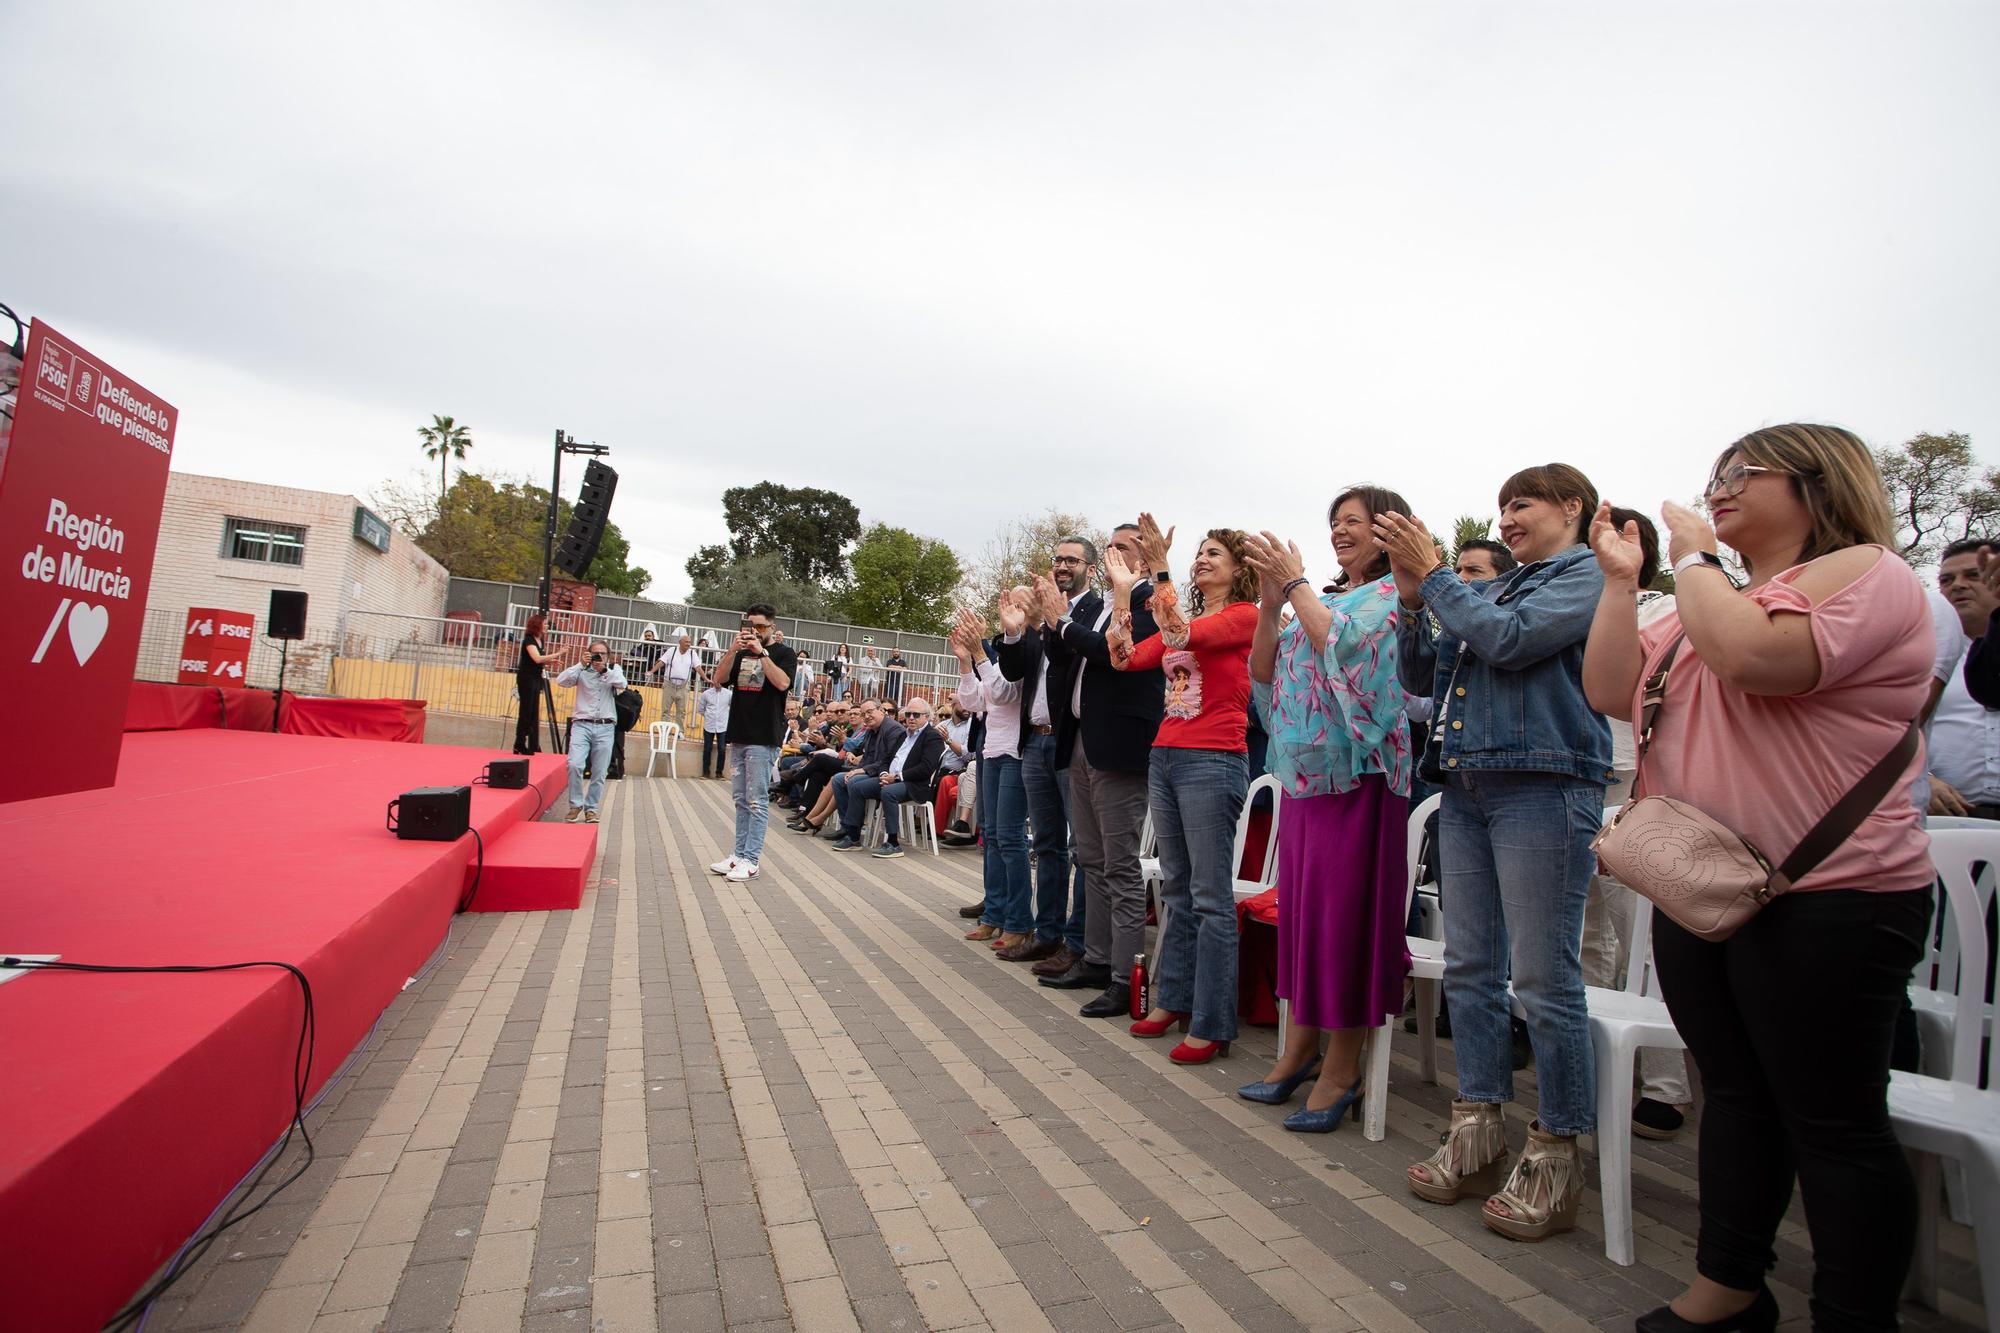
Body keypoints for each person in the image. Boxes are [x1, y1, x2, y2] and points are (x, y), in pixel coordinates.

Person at [1583, 425, 1934, 1332]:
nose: (1723, 487)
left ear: (1822, 483)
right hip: (1708, 888)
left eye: (1747, 472)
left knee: (1834, 1121)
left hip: (1836, 897)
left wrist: (1695, 556)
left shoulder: (1870, 572)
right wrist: (1624, 586)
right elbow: (1611, 689)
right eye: (1716, 475)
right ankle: (1730, 1286)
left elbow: (1758, 657)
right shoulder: (1708, 602)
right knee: (1733, 1096)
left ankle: (1854, 1314)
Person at [1380, 463, 1609, 1243]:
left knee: (1544, 978)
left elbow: (1510, 645)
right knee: (1472, 967)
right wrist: (1414, 601)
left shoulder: (1585, 576)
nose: (1507, 516)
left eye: (1524, 503)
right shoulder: (1500, 587)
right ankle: (1478, 1126)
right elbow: (1426, 674)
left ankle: (1556, 1149)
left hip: (1543, 785)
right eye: (1503, 504)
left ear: (1572, 507)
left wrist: (1441, 578)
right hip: (1471, 786)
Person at [1234, 488, 1413, 1130]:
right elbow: (1262, 670)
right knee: (1305, 919)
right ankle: (1300, 1050)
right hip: (1308, 781)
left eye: (1353, 523)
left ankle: (1343, 1066)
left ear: (1388, 532)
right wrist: (1269, 602)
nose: (1340, 532)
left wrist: (1299, 586)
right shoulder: (1323, 597)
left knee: (1346, 923)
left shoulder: (1398, 598)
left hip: (1364, 781)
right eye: (1333, 523)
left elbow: (1345, 653)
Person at [1112, 516, 1261, 1064]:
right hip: (1166, 754)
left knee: (1209, 897)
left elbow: (1179, 636)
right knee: (1176, 889)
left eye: (1214, 553)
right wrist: (1124, 594)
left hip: (1213, 759)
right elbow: (1126, 658)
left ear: (1240, 569)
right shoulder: (1187, 614)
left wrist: (1158, 570)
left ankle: (1213, 1020)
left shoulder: (1246, 617)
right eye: (1199, 552)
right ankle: (1172, 997)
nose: (1202, 559)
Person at [1579, 507, 1691, 1138]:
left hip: (1631, 779)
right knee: (1589, 933)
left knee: (1641, 933)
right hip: (1573, 777)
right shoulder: (1577, 605)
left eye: (1618, 540)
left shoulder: (1661, 608)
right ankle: (1599, 1065)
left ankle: (1667, 1085)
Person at [1022, 523, 1165, 1016]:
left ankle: (1127, 977)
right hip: (1080, 739)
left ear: (1145, 560)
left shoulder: (1149, 601)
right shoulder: (1099, 603)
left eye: (1124, 549)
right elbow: (1065, 654)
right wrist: (1050, 620)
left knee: (1120, 866)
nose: (1113, 556)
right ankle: (1097, 958)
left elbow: (1112, 654)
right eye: (1110, 548)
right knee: (1092, 859)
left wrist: (1062, 624)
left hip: (1119, 746)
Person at [996, 537, 1097, 970]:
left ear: (1090, 568)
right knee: (1048, 844)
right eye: (1058, 558)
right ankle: (1048, 933)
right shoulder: (1040, 618)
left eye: (1072, 560)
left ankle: (1079, 941)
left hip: (1071, 739)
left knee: (1083, 847)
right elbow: (1015, 672)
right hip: (1034, 741)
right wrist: (1016, 630)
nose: (1062, 565)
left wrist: (1057, 617)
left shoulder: (1094, 612)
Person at [953, 607, 1034, 951]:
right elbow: (973, 702)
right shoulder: (996, 655)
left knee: (1011, 839)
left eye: (1017, 607)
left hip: (1016, 752)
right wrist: (963, 660)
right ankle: (994, 913)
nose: (1007, 614)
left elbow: (1004, 693)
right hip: (990, 750)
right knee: (991, 836)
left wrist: (978, 653)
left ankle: (1018, 921)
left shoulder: (1025, 652)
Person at [707, 604, 797, 883]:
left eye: (760, 627)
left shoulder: (784, 653)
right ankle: (738, 854)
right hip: (739, 734)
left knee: (756, 800)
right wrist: (733, 651)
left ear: (771, 627)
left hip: (763, 737)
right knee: (740, 800)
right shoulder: (739, 652)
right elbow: (718, 680)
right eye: (750, 626)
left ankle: (751, 859)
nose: (754, 632)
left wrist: (763, 653)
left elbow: (782, 684)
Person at [1929, 538, 2000, 819]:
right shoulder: (1921, 658)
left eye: (1974, 575)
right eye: (1946, 580)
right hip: (1947, 819)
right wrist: (1922, 778)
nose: (1957, 585)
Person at [832, 696, 944, 858]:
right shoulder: (904, 735)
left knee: (888, 792)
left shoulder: (932, 736)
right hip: (889, 778)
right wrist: (884, 773)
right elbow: (886, 759)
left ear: (926, 716)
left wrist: (897, 777)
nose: (911, 718)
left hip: (913, 784)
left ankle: (893, 843)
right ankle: (853, 836)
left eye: (916, 715)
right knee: (855, 786)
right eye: (908, 714)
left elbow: (925, 769)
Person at [555, 640, 626, 824]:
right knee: (574, 764)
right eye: (595, 653)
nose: (599, 657)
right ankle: (575, 805)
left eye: (602, 653)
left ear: (608, 655)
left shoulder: (613, 669)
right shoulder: (581, 671)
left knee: (599, 771)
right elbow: (561, 680)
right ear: (588, 654)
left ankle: (591, 808)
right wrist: (581, 664)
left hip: (605, 726)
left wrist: (604, 670)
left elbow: (621, 683)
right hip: (582, 725)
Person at [828, 698, 907, 850]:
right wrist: (856, 770)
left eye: (870, 712)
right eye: (864, 714)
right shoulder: (871, 730)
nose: (867, 716)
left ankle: (853, 835)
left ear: (881, 710)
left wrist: (862, 770)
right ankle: (847, 826)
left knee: (854, 783)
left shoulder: (893, 730)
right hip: (873, 771)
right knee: (839, 779)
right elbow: (867, 757)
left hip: (887, 776)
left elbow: (889, 761)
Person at [514, 613, 565, 754]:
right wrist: (557, 654)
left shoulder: (539, 639)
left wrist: (550, 661)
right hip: (527, 678)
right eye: (545, 623)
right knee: (526, 710)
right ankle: (519, 742)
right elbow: (536, 658)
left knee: (533, 711)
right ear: (538, 625)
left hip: (536, 677)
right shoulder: (529, 640)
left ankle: (528, 742)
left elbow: (539, 660)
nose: (547, 626)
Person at [658, 632, 700, 730]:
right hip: (669, 684)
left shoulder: (692, 653)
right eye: (686, 642)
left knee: (681, 711)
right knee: (665, 710)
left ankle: (679, 731)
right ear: (680, 642)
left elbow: (698, 667)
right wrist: (651, 671)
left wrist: (706, 678)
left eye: (690, 642)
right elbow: (662, 662)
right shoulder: (671, 651)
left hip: (683, 686)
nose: (688, 644)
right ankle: (665, 730)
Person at [699, 680, 731, 779]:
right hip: (709, 725)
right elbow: (701, 709)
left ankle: (719, 773)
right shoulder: (706, 694)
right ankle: (705, 773)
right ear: (713, 681)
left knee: (722, 749)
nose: (718, 683)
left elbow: (732, 707)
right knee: (707, 748)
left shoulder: (729, 694)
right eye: (717, 680)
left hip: (723, 726)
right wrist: (710, 717)